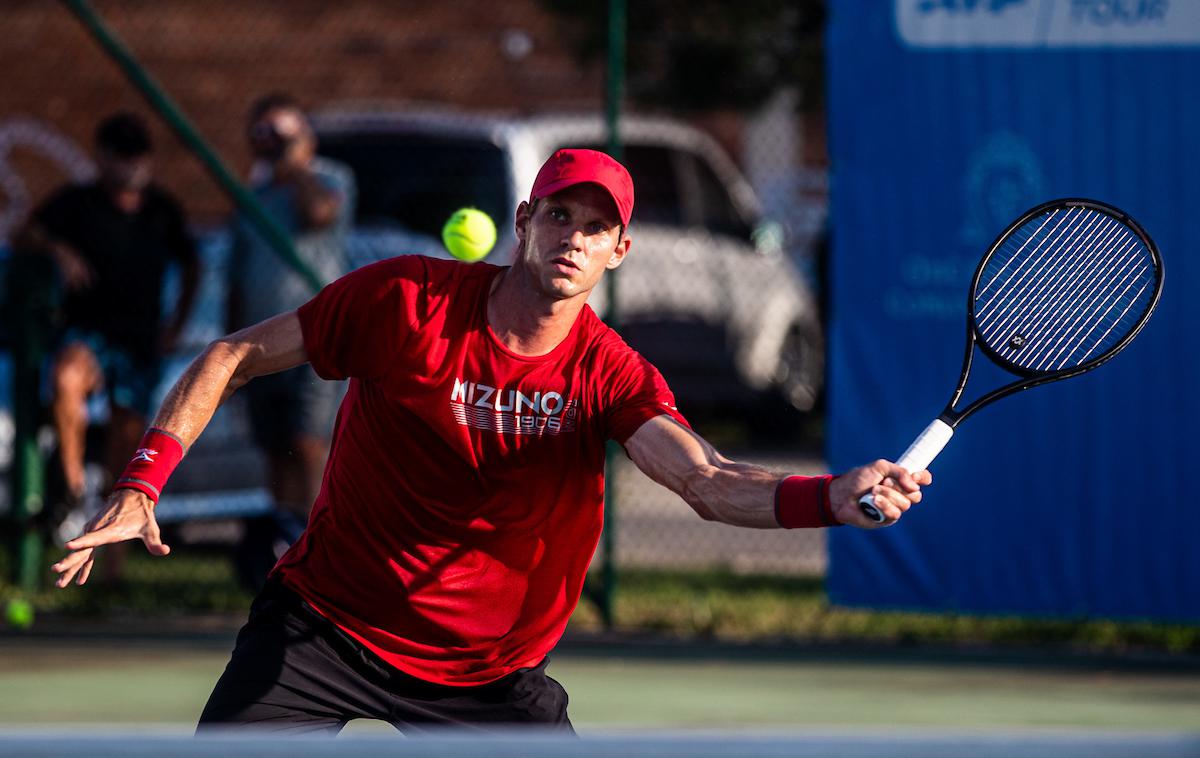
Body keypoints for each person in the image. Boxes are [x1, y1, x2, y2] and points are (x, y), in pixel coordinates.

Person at [51, 148, 929, 733]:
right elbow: (234, 353)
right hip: (323, 627)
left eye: (595, 227)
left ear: (620, 249)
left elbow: (706, 478)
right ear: (524, 220)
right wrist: (140, 487)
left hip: (489, 676)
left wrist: (833, 497)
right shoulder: (404, 303)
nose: (573, 237)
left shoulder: (610, 374)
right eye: (559, 216)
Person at [14, 111, 199, 544]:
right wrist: (59, 250)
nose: (131, 166)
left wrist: (176, 325)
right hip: (89, 331)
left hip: (139, 339)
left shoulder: (162, 209)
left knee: (128, 437)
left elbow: (192, 265)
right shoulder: (77, 203)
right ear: (102, 158)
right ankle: (74, 490)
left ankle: (112, 560)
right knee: (66, 376)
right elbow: (26, 234)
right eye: (121, 157)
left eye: (138, 157)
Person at [226, 93, 355, 589]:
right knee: (275, 448)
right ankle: (284, 549)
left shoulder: (330, 181)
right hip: (260, 345)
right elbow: (237, 277)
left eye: (283, 134)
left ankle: (322, 546)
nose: (273, 145)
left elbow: (320, 214)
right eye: (265, 135)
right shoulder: (252, 200)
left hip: (312, 341)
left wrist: (296, 162)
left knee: (307, 442)